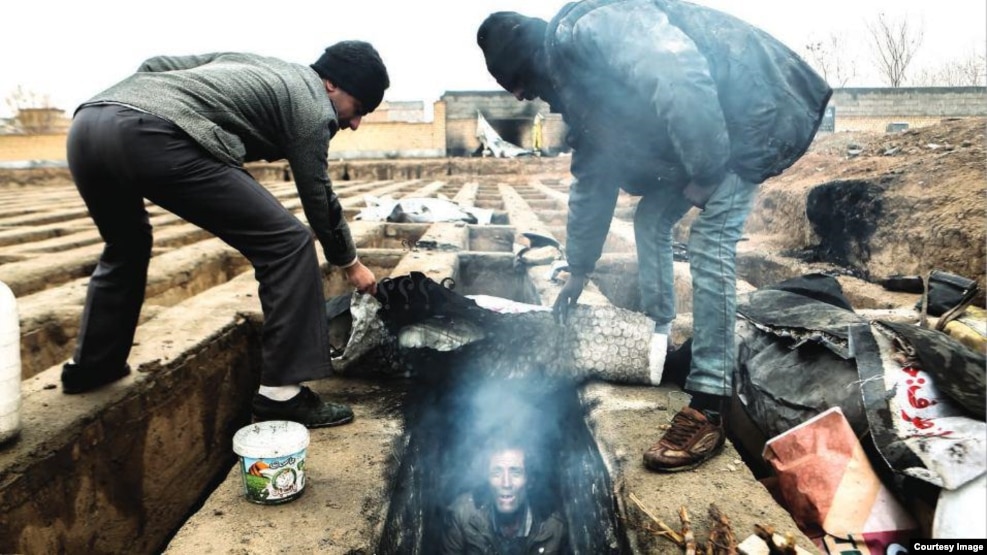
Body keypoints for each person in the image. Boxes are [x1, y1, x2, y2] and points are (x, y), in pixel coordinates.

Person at [477, 0, 832, 471]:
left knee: (711, 241)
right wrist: (579, 269)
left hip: (749, 116)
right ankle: (660, 339)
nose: (523, 98)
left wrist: (706, 169)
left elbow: (677, 71)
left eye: (518, 84)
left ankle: (708, 405)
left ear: (527, 61)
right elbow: (592, 181)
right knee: (651, 220)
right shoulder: (577, 90)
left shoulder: (593, 27)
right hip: (708, 130)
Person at [60, 41, 389, 428]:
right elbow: (318, 195)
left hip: (88, 125)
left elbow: (155, 63)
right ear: (332, 83)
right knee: (288, 243)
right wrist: (350, 263)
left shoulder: (250, 61)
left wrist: (142, 102)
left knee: (126, 244)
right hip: (152, 136)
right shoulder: (313, 106)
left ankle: (93, 366)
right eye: (360, 109)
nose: (354, 123)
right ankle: (282, 395)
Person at [441, 440, 568, 554]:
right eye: (497, 473)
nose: (506, 483)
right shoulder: (463, 514)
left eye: (515, 472)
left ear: (530, 480)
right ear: (487, 479)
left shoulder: (553, 525)